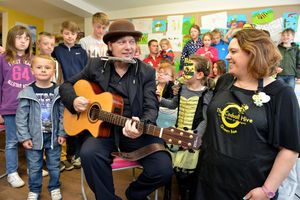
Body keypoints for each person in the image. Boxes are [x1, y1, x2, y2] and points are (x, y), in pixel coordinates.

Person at [59, 19, 173, 200]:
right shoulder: (96, 65)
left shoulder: (146, 72)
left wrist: (142, 124)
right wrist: (73, 101)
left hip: (135, 131)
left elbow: (151, 106)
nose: (129, 47)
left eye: (132, 42)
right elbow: (66, 85)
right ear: (110, 45)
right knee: (89, 153)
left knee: (163, 169)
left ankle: (134, 194)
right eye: (122, 42)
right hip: (103, 131)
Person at [195, 29, 300, 200]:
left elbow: (289, 150)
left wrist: (267, 191)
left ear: (254, 54)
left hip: (249, 189)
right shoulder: (224, 81)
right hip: (209, 180)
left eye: (233, 51)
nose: (227, 57)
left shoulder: (281, 94)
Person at [159, 55, 214, 200]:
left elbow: (205, 119)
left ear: (200, 74)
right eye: (184, 68)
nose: (184, 72)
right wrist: (159, 100)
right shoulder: (182, 88)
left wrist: (196, 138)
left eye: (189, 70)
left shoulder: (206, 93)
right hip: (176, 136)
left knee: (186, 176)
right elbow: (172, 104)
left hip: (192, 139)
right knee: (171, 171)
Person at [16, 54, 67, 200]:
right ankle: (34, 189)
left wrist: (62, 133)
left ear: (53, 71)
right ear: (32, 70)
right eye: (39, 67)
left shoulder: (59, 91)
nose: (43, 70)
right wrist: (24, 137)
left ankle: (55, 187)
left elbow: (63, 114)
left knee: (54, 165)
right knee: (34, 167)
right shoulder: (27, 92)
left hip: (54, 136)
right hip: (33, 137)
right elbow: (21, 118)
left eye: (47, 67)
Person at [0, 25, 35, 188]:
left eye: (26, 38)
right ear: (11, 39)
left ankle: (32, 168)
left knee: (31, 138)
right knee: (12, 141)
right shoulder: (3, 58)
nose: (23, 41)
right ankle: (12, 172)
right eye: (19, 37)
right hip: (10, 107)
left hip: (30, 107)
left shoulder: (33, 59)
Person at [52, 20, 88, 170]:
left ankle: (77, 154)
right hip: (64, 92)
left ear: (77, 35)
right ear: (62, 33)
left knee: (79, 124)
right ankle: (67, 155)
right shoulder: (57, 50)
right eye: (66, 33)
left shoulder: (82, 51)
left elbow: (87, 71)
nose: (69, 36)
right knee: (66, 124)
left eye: (72, 34)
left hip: (79, 91)